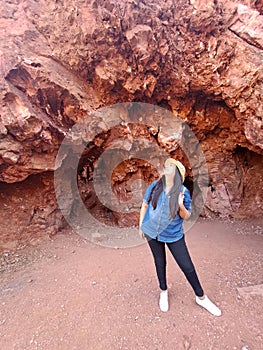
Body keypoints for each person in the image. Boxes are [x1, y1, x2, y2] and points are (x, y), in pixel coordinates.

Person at [139, 158, 221, 316]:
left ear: (176, 173)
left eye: (170, 166)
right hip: (152, 232)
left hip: (173, 235)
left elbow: (186, 216)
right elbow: (145, 205)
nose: (165, 168)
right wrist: (141, 225)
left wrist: (180, 204)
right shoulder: (155, 186)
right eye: (166, 165)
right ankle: (163, 291)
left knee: (187, 266)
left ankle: (201, 297)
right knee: (160, 262)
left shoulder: (183, 191)